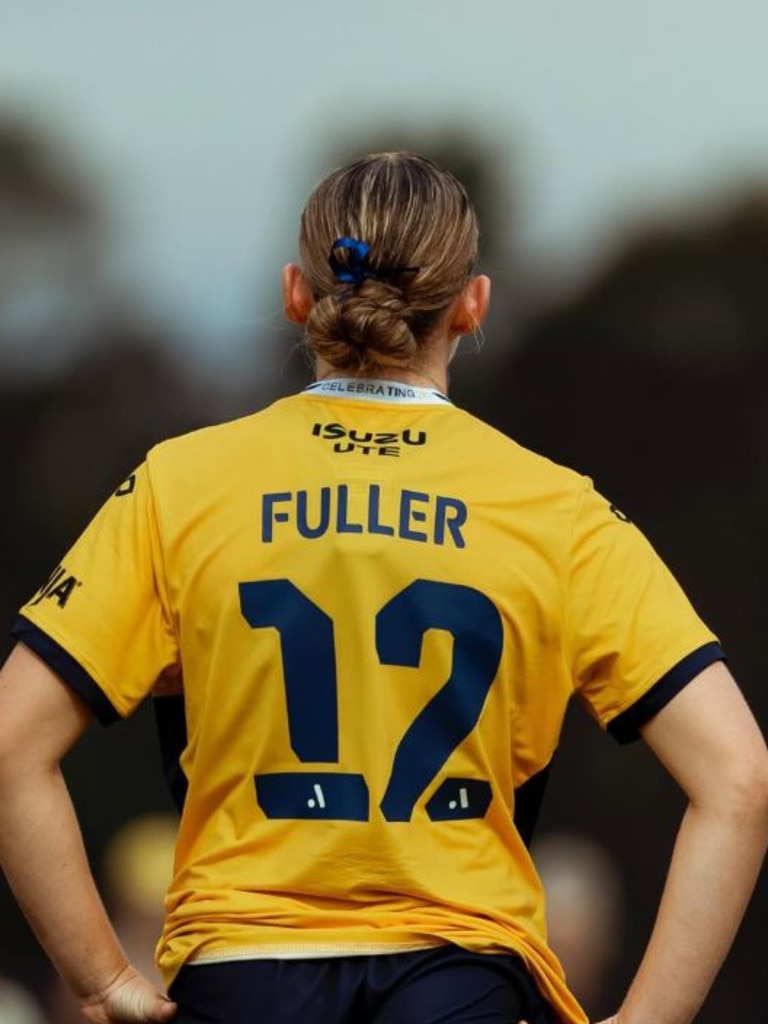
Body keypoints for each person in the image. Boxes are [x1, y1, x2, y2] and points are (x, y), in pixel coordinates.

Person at [0, 151, 766, 1024]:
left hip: (244, 975)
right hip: (461, 981)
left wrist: (100, 981)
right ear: (472, 305)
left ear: (297, 292)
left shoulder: (181, 484)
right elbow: (738, 778)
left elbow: (11, 745)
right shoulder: (557, 509)